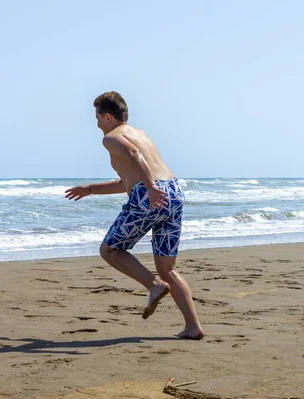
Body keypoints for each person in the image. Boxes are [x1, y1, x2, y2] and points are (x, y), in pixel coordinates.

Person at [65, 91, 204, 340]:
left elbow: (133, 157)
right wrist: (89, 190)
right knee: (167, 269)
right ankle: (193, 326)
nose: (96, 123)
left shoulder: (111, 138)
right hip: (173, 192)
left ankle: (153, 286)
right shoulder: (141, 134)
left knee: (109, 250)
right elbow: (128, 179)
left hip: (150, 194)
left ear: (107, 117)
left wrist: (150, 188)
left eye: (97, 117)